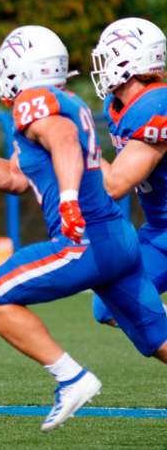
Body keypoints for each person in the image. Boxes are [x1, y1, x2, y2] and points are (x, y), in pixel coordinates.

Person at [0, 25, 167, 432]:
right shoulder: (71, 102)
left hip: (90, 237)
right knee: (147, 333)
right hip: (127, 234)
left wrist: (69, 197)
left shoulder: (37, 101)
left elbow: (69, 145)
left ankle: (72, 378)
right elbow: (15, 176)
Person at [89, 17, 167, 326]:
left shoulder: (157, 104)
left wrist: (74, 139)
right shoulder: (116, 104)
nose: (102, 66)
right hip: (159, 229)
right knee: (111, 306)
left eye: (107, 57)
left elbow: (114, 185)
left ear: (130, 60)